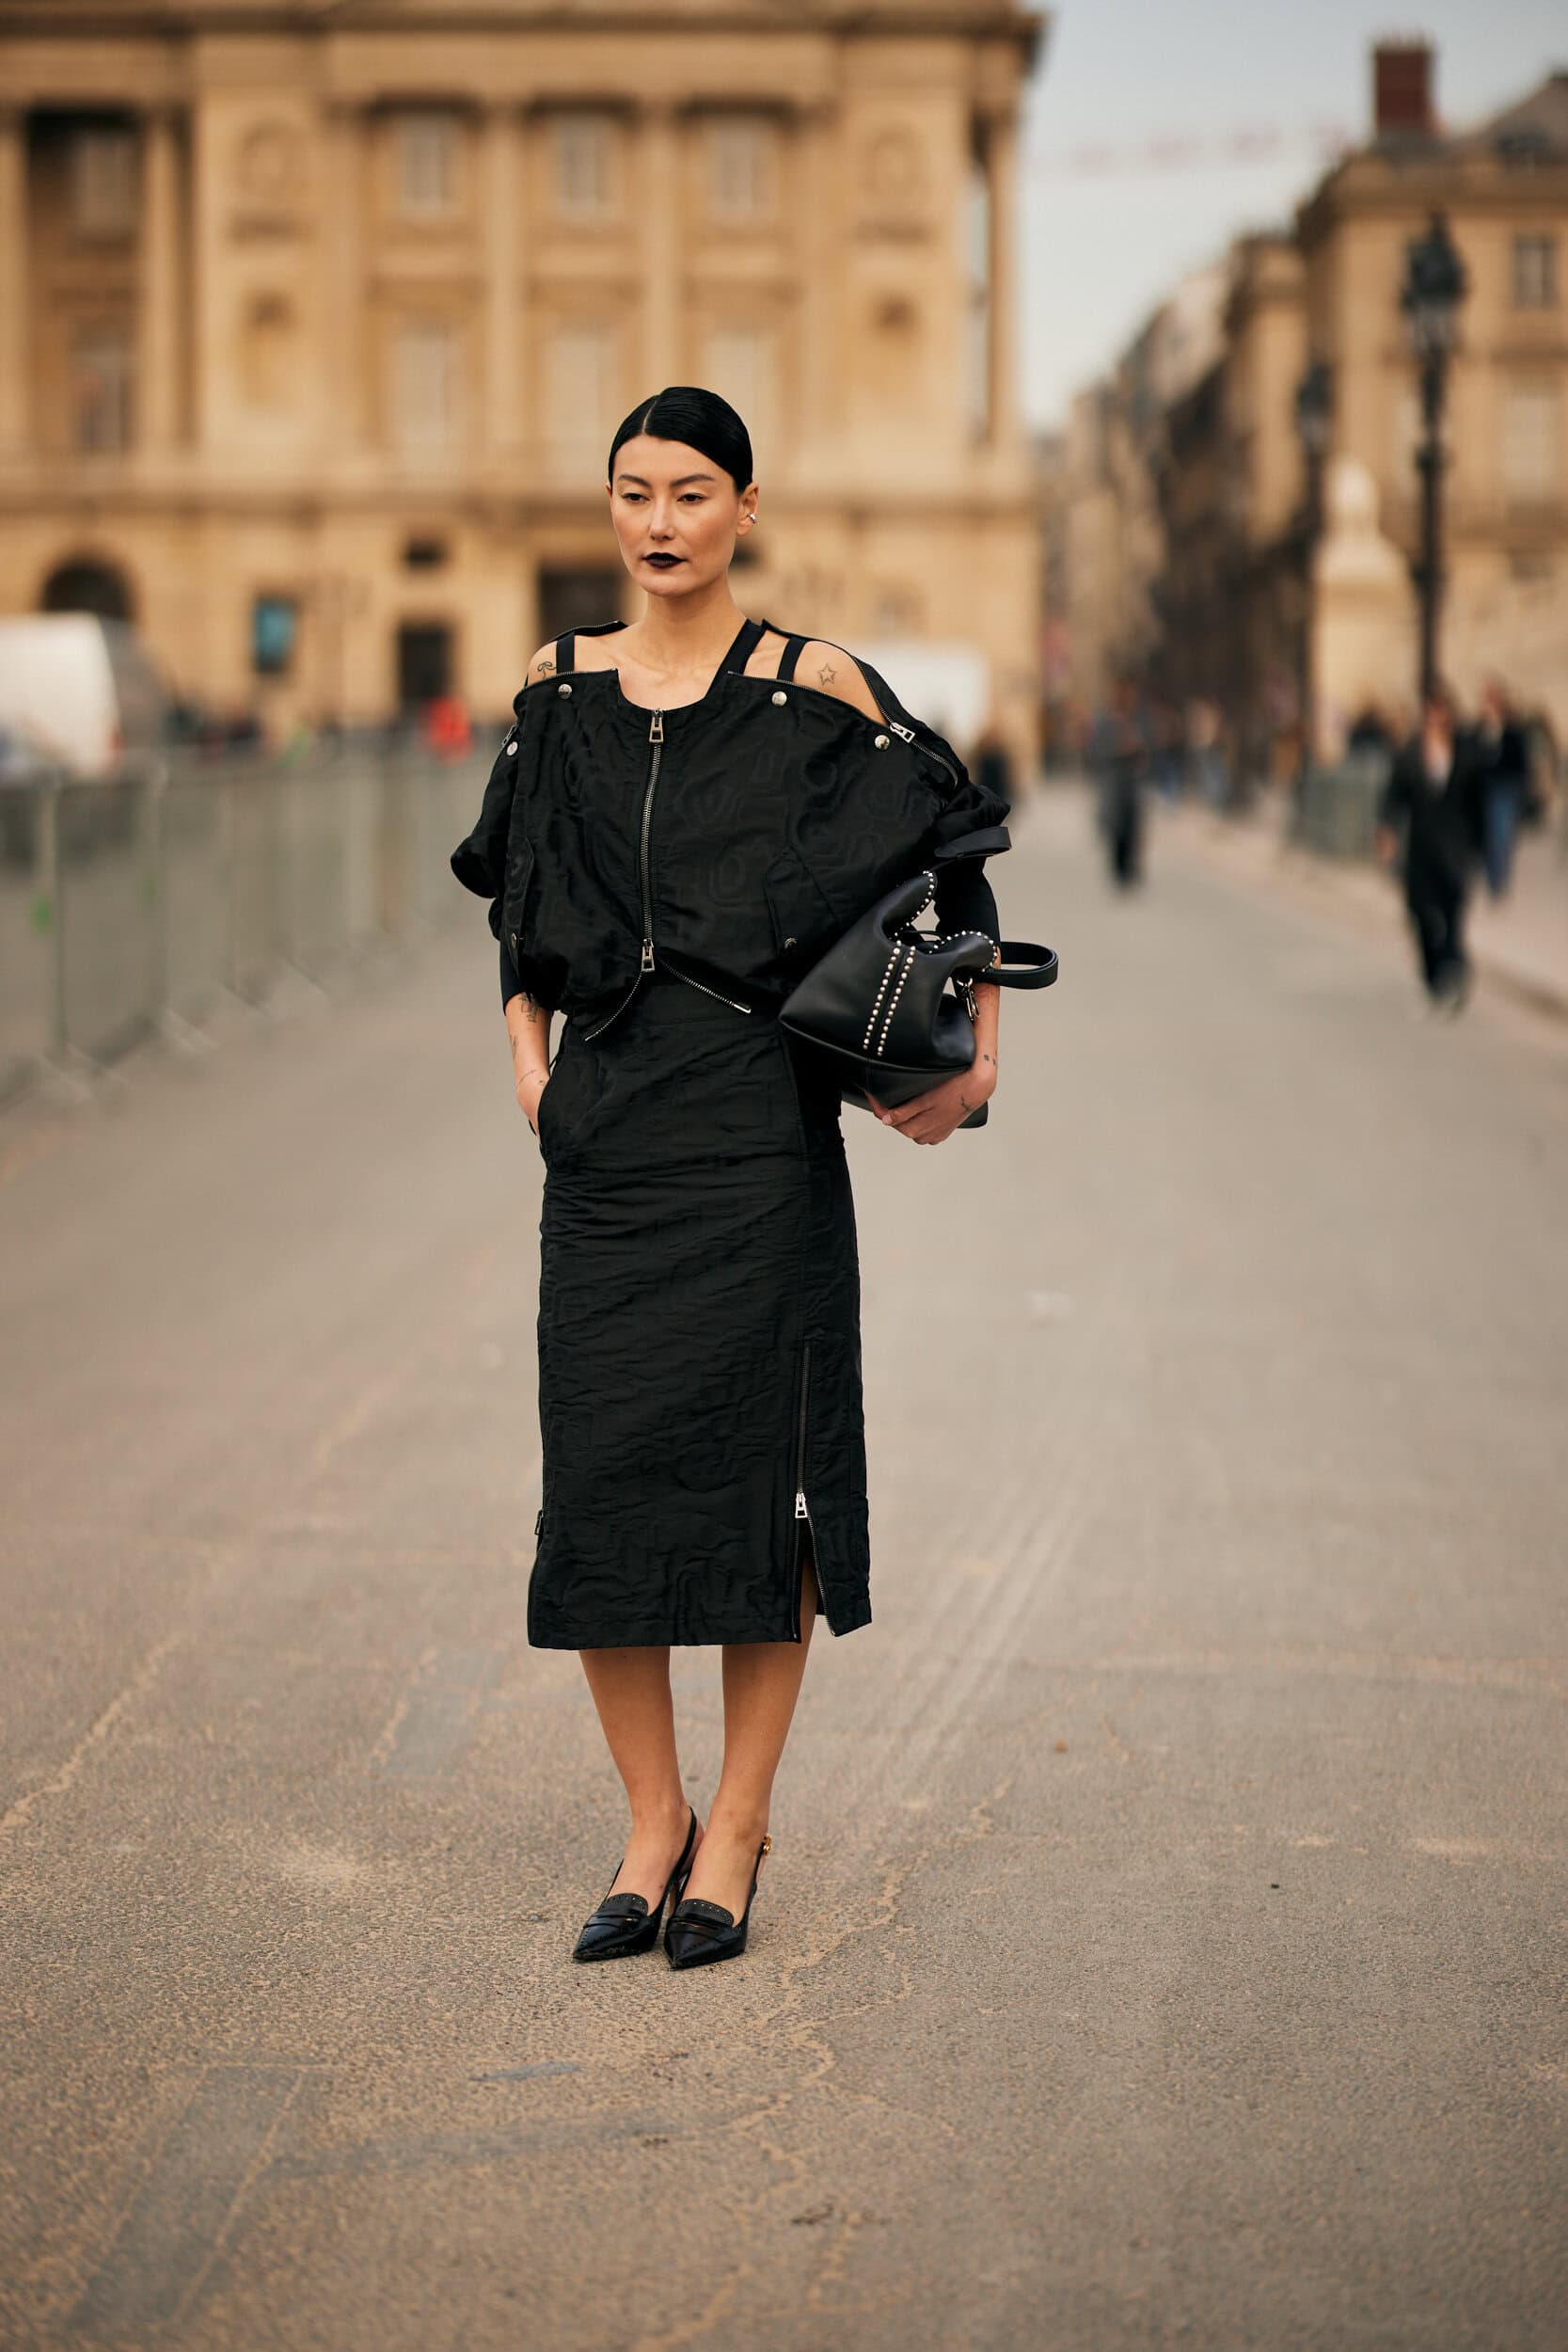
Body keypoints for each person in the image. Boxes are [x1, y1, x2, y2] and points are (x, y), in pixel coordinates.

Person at [451, 387, 1009, 1971]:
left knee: (759, 1481)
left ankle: (739, 1825)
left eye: (691, 492)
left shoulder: (811, 687)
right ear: (610, 509)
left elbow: (958, 849)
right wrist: (523, 1052)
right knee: (608, 1488)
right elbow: (516, 895)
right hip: (609, 1133)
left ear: (743, 509)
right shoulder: (553, 693)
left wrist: (974, 1055)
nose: (659, 520)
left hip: (761, 1126)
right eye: (634, 491)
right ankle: (649, 1824)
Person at [1374, 683, 1487, 1012]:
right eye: (1431, 718)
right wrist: (1386, 833)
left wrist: (1480, 849)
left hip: (1455, 850)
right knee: (1420, 913)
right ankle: (1434, 975)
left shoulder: (1467, 755)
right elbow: (1393, 797)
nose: (1436, 724)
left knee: (1453, 916)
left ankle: (1454, 971)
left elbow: (1478, 806)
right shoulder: (1410, 755)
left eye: (1442, 717)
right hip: (1421, 851)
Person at [1088, 677, 1151, 886]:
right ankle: (1119, 869)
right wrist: (1117, 749)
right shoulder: (1106, 722)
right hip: (1114, 781)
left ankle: (1131, 869)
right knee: (1116, 827)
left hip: (1133, 782)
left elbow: (1150, 748)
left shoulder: (1139, 720)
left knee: (1133, 827)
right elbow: (1096, 751)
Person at [1476, 677, 1530, 898]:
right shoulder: (1481, 727)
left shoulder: (1512, 728)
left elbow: (1520, 760)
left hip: (1506, 788)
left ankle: (1499, 880)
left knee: (1502, 834)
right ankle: (1492, 876)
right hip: (1486, 787)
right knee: (1489, 835)